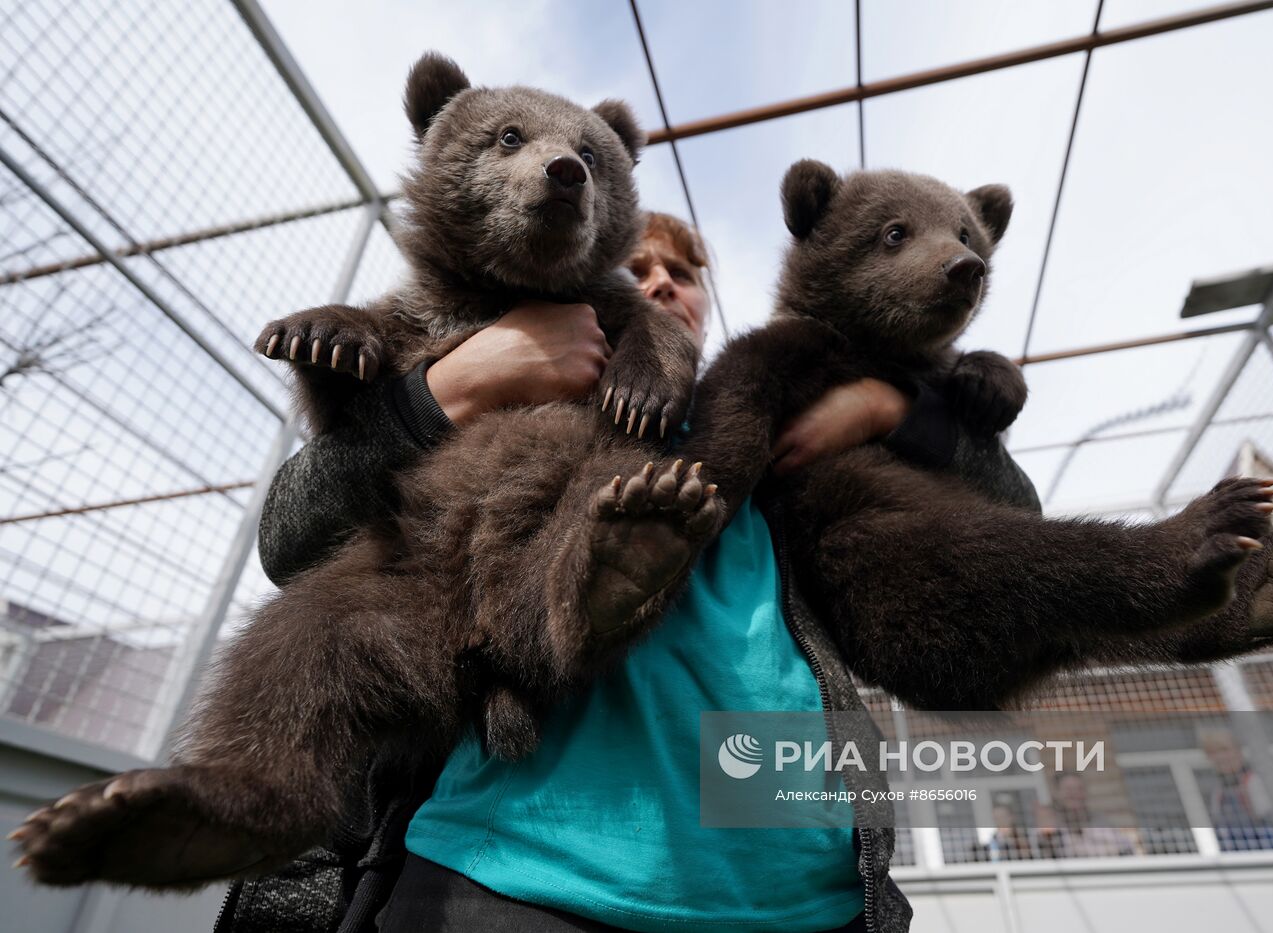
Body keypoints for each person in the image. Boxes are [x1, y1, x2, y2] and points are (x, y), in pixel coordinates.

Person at [224, 212, 1040, 933]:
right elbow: (289, 534)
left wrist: (903, 410)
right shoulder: (514, 396)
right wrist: (451, 388)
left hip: (807, 893)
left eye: (679, 274)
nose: (655, 284)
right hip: (511, 876)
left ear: (706, 305)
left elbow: (1019, 521)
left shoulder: (779, 427)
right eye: (632, 270)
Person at [1200, 728, 1273, 851]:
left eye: (1224, 750)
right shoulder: (1218, 793)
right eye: (1213, 753)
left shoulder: (1255, 781)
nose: (1220, 757)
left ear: (1238, 751)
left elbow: (1270, 820)